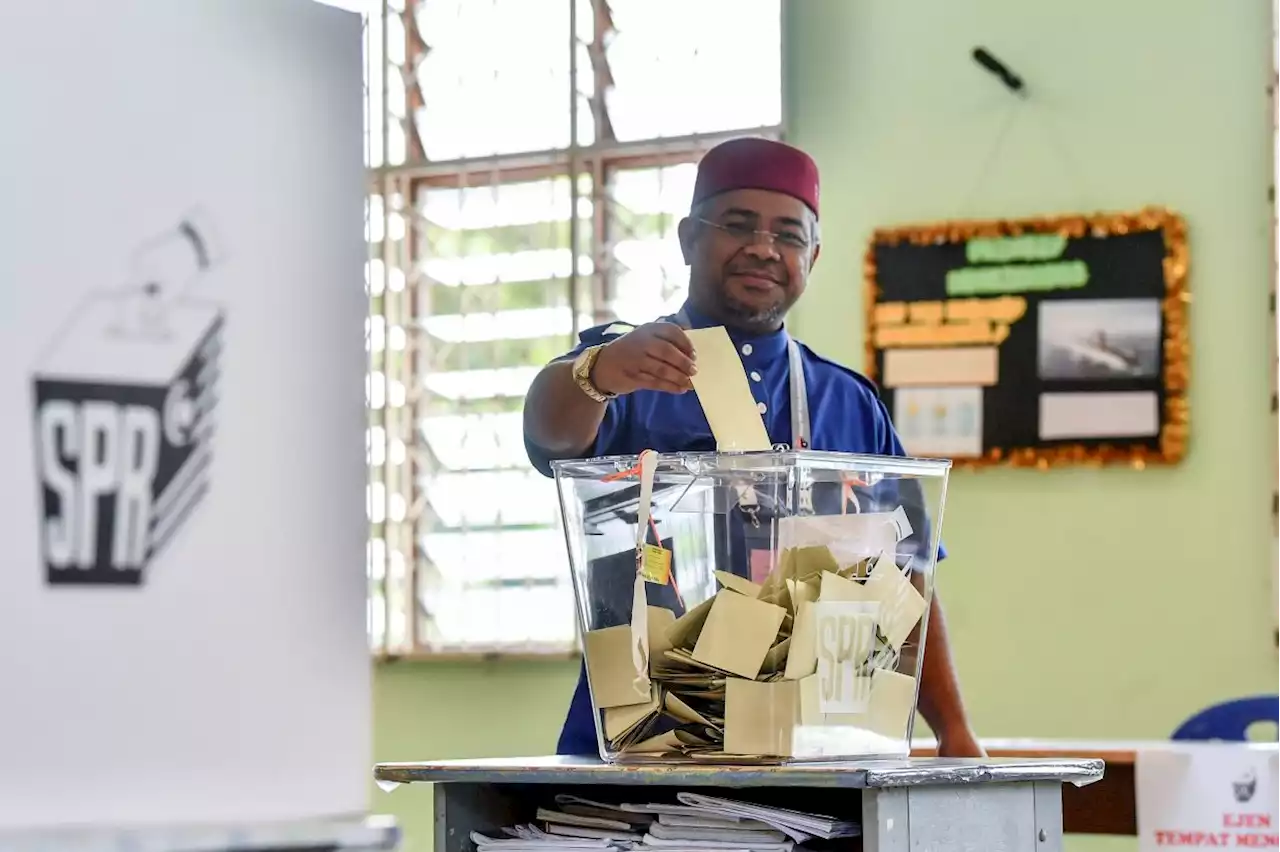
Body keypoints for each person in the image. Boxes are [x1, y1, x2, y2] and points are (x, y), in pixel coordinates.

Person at [522, 137, 984, 759]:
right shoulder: (630, 366)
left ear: (813, 256)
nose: (764, 248)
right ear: (688, 239)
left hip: (820, 749)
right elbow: (550, 432)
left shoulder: (850, 402)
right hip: (642, 745)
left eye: (788, 234)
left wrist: (953, 732)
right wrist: (597, 372)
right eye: (737, 225)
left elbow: (911, 580)